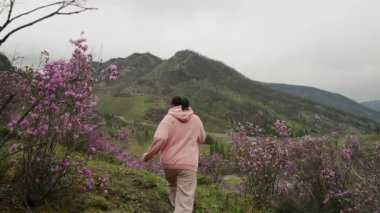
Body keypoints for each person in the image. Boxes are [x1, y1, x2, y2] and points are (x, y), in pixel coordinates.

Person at [142, 96, 206, 213]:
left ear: (172, 105)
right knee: (185, 200)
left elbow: (160, 139)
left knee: (172, 185)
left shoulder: (168, 119)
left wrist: (148, 155)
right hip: (188, 164)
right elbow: (202, 139)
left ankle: (175, 208)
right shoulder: (196, 119)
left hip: (169, 164)